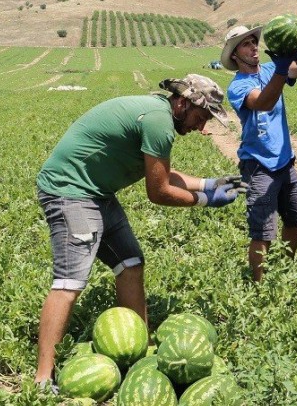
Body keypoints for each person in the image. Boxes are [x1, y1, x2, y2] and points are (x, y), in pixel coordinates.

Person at [32, 73, 245, 387]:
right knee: (70, 281)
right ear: (183, 103)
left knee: (131, 262)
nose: (201, 127)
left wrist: (210, 184)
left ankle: (139, 353)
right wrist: (203, 200)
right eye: (201, 117)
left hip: (96, 193)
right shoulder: (159, 121)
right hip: (70, 192)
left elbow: (165, 174)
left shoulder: (158, 113)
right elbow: (158, 191)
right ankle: (42, 379)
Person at [221, 25, 297, 281]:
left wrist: (296, 52)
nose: (253, 47)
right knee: (262, 231)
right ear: (234, 56)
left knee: (296, 220)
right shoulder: (237, 86)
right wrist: (283, 70)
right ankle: (260, 286)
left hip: (285, 162)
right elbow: (263, 102)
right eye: (245, 44)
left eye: (254, 42)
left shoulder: (272, 70)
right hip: (258, 166)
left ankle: (282, 271)